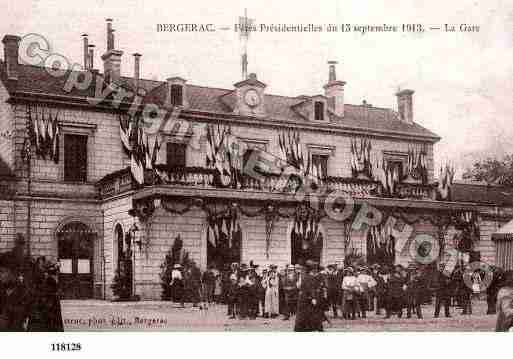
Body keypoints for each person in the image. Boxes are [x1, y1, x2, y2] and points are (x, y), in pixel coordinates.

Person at [294, 260, 325, 332]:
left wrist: (317, 294)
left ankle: (314, 326)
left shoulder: (317, 276)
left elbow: (318, 287)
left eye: (316, 269)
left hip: (313, 298)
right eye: (314, 269)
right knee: (306, 314)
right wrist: (312, 298)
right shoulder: (306, 277)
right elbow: (307, 288)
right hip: (306, 299)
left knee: (315, 314)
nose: (315, 270)